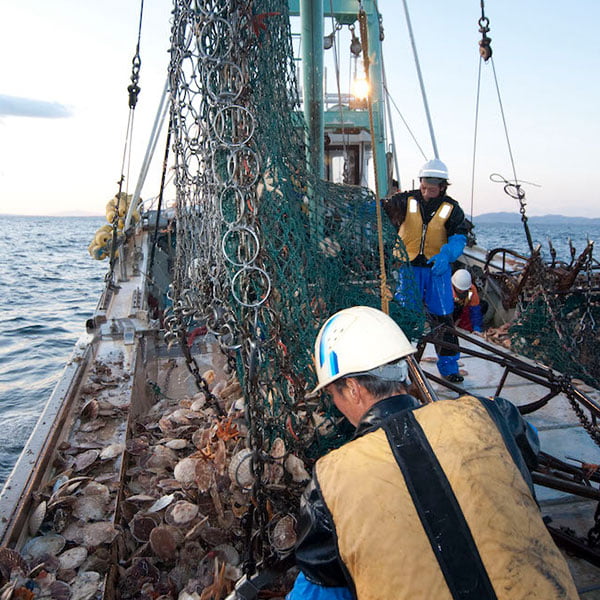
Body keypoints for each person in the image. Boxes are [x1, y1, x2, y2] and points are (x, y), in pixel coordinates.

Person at [287, 306, 578, 600]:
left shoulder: (331, 479)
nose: (335, 403)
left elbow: (318, 586)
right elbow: (528, 449)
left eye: (332, 394)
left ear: (352, 388)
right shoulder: (492, 415)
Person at [382, 159, 468, 383]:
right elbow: (382, 210)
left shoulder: (452, 209)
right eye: (424, 186)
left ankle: (449, 367)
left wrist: (447, 255)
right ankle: (396, 362)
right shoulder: (404, 201)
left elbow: (459, 237)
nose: (427, 191)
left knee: (443, 318)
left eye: (432, 188)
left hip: (436, 270)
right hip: (407, 269)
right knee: (404, 315)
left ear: (442, 187)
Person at [451, 268, 484, 333]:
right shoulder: (447, 288)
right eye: (460, 290)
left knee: (483, 305)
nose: (462, 291)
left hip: (463, 310)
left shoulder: (471, 289)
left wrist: (476, 327)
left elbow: (475, 310)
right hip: (450, 310)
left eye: (464, 289)